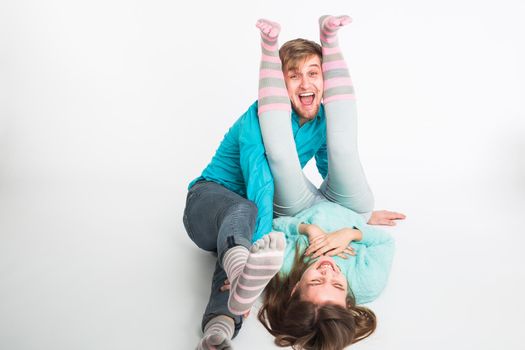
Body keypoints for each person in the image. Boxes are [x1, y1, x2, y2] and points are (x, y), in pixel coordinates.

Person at [183, 15, 404, 350]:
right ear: (279, 84)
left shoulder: (320, 118)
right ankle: (244, 263)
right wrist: (261, 240)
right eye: (293, 76)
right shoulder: (258, 121)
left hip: (257, 219)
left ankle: (220, 328)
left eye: (313, 73)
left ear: (325, 80)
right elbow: (260, 184)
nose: (305, 84)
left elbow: (332, 163)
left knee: (245, 260)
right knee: (245, 216)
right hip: (209, 200)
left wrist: (355, 214)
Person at [253, 16, 405, 349]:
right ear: (349, 299)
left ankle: (268, 50)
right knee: (344, 149)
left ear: (295, 289)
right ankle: (330, 40)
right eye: (336, 284)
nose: (328, 270)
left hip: (299, 210)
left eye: (316, 279)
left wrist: (309, 231)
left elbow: (274, 226)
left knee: (280, 157)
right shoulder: (366, 283)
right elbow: (384, 244)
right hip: (350, 207)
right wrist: (354, 229)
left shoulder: (284, 271)